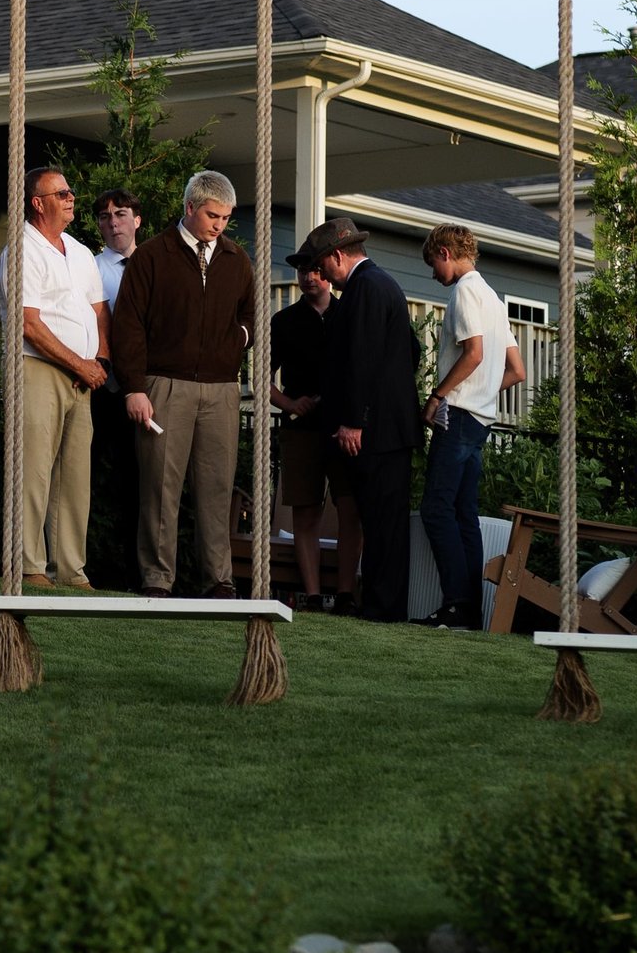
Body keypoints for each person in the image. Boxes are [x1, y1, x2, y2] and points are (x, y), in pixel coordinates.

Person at [110, 170, 255, 599]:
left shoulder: (236, 260)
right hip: (164, 386)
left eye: (226, 218)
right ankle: (157, 579)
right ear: (190, 206)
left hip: (222, 390)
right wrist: (135, 387)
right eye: (213, 215)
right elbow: (128, 325)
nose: (219, 225)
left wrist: (238, 341)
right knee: (160, 487)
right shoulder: (152, 256)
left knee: (216, 487)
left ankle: (218, 580)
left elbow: (248, 316)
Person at [0, 166, 108, 588]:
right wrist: (79, 364)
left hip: (83, 377)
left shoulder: (80, 252)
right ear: (37, 202)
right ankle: (29, 566)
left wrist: (100, 361)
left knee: (74, 477)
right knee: (35, 470)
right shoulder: (21, 250)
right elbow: (28, 323)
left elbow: (100, 312)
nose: (70, 198)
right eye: (60, 193)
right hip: (40, 369)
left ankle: (71, 569)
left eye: (71, 190)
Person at [417, 225, 527, 628]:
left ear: (444, 253)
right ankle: (469, 609)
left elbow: (474, 353)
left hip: (459, 416)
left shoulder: (463, 291)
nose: (433, 273)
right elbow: (517, 371)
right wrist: (481, 392)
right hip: (481, 420)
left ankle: (456, 604)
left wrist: (438, 395)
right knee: (464, 514)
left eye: (433, 264)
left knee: (436, 508)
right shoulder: (495, 300)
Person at [313, 217, 418, 622]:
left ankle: (383, 607)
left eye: (324, 265)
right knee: (383, 521)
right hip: (389, 427)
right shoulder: (383, 285)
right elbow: (409, 351)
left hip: (378, 432)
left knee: (383, 523)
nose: (322, 275)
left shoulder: (365, 289)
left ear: (338, 255)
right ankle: (383, 603)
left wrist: (355, 420)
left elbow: (363, 358)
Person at [269, 237, 357, 613]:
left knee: (350, 507)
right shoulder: (284, 321)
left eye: (316, 270)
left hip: (342, 426)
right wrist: (290, 402)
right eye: (303, 270)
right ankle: (314, 594)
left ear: (328, 273)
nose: (309, 277)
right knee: (306, 511)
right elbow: (261, 377)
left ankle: (346, 593)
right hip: (301, 428)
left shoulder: (348, 314)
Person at [87, 187, 146, 589]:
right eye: (106, 217)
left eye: (121, 214)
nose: (114, 223)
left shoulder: (156, 265)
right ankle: (88, 567)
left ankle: (139, 574)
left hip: (143, 392)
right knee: (89, 482)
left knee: (141, 485)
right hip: (100, 391)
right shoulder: (89, 267)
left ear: (137, 220)